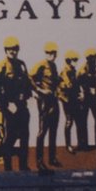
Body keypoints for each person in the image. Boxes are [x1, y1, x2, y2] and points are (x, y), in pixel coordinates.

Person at [0, 36, 33, 171]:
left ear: (18, 50)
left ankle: (23, 166)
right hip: (9, 108)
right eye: (9, 49)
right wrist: (7, 104)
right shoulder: (0, 67)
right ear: (5, 50)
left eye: (14, 49)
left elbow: (27, 84)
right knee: (11, 137)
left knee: (25, 136)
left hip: (22, 106)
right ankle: (8, 168)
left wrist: (26, 95)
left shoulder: (21, 65)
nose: (12, 52)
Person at [30, 41, 63, 169]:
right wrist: (38, 90)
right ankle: (39, 161)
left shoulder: (54, 66)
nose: (50, 55)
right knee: (43, 131)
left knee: (54, 130)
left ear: (56, 54)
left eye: (52, 53)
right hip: (44, 101)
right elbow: (29, 78)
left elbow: (55, 82)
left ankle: (52, 158)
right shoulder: (40, 65)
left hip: (54, 101)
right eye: (48, 53)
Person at [60, 50, 84, 153]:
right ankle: (68, 145)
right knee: (69, 121)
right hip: (67, 100)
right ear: (68, 60)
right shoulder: (65, 71)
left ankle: (80, 144)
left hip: (74, 99)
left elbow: (76, 85)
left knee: (78, 121)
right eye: (74, 60)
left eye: (76, 60)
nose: (76, 61)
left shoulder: (73, 70)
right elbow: (69, 85)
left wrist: (80, 93)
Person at [79, 48, 96, 150]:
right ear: (88, 58)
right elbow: (78, 84)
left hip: (94, 98)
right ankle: (84, 143)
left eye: (95, 57)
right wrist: (84, 93)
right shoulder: (83, 70)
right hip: (86, 98)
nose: (95, 59)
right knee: (84, 120)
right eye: (92, 58)